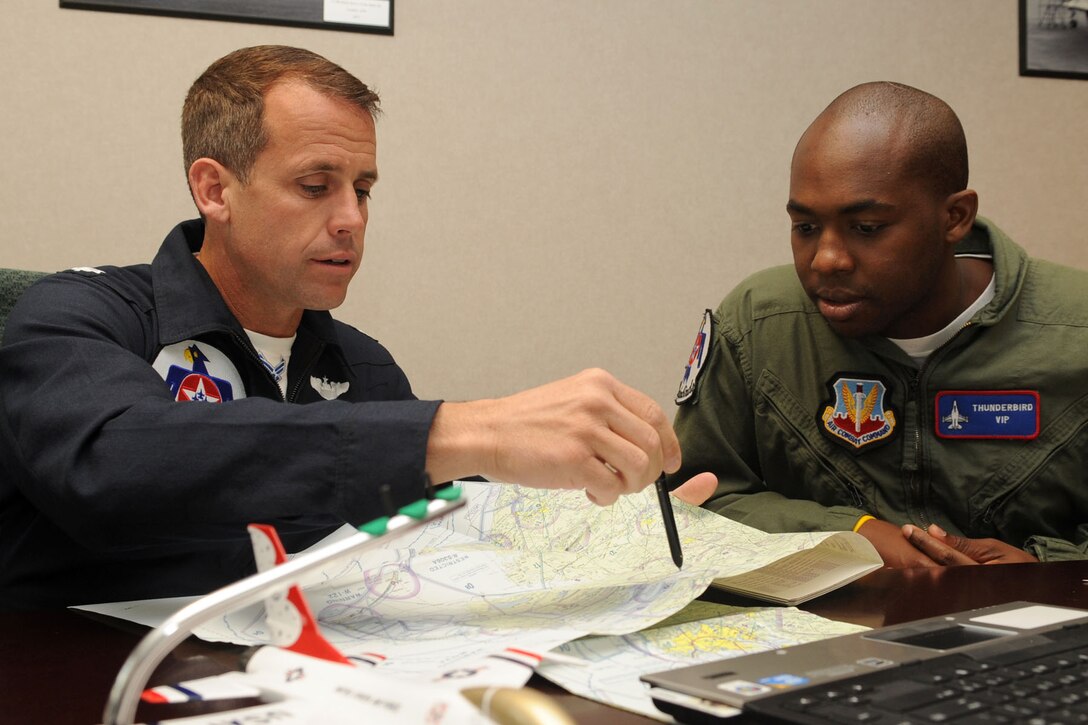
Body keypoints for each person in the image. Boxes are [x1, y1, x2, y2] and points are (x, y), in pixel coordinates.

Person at [0, 45, 714, 610]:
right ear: (215, 189)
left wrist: (577, 540)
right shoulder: (77, 318)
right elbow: (116, 468)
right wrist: (475, 432)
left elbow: (408, 556)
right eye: (316, 185)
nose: (351, 217)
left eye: (363, 189)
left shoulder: (363, 368)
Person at [670, 81, 1088, 568]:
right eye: (805, 227)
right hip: (827, 636)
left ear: (955, 216)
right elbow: (697, 499)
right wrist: (851, 534)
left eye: (866, 229)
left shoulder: (1074, 333)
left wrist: (1047, 569)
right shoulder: (760, 325)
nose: (826, 259)